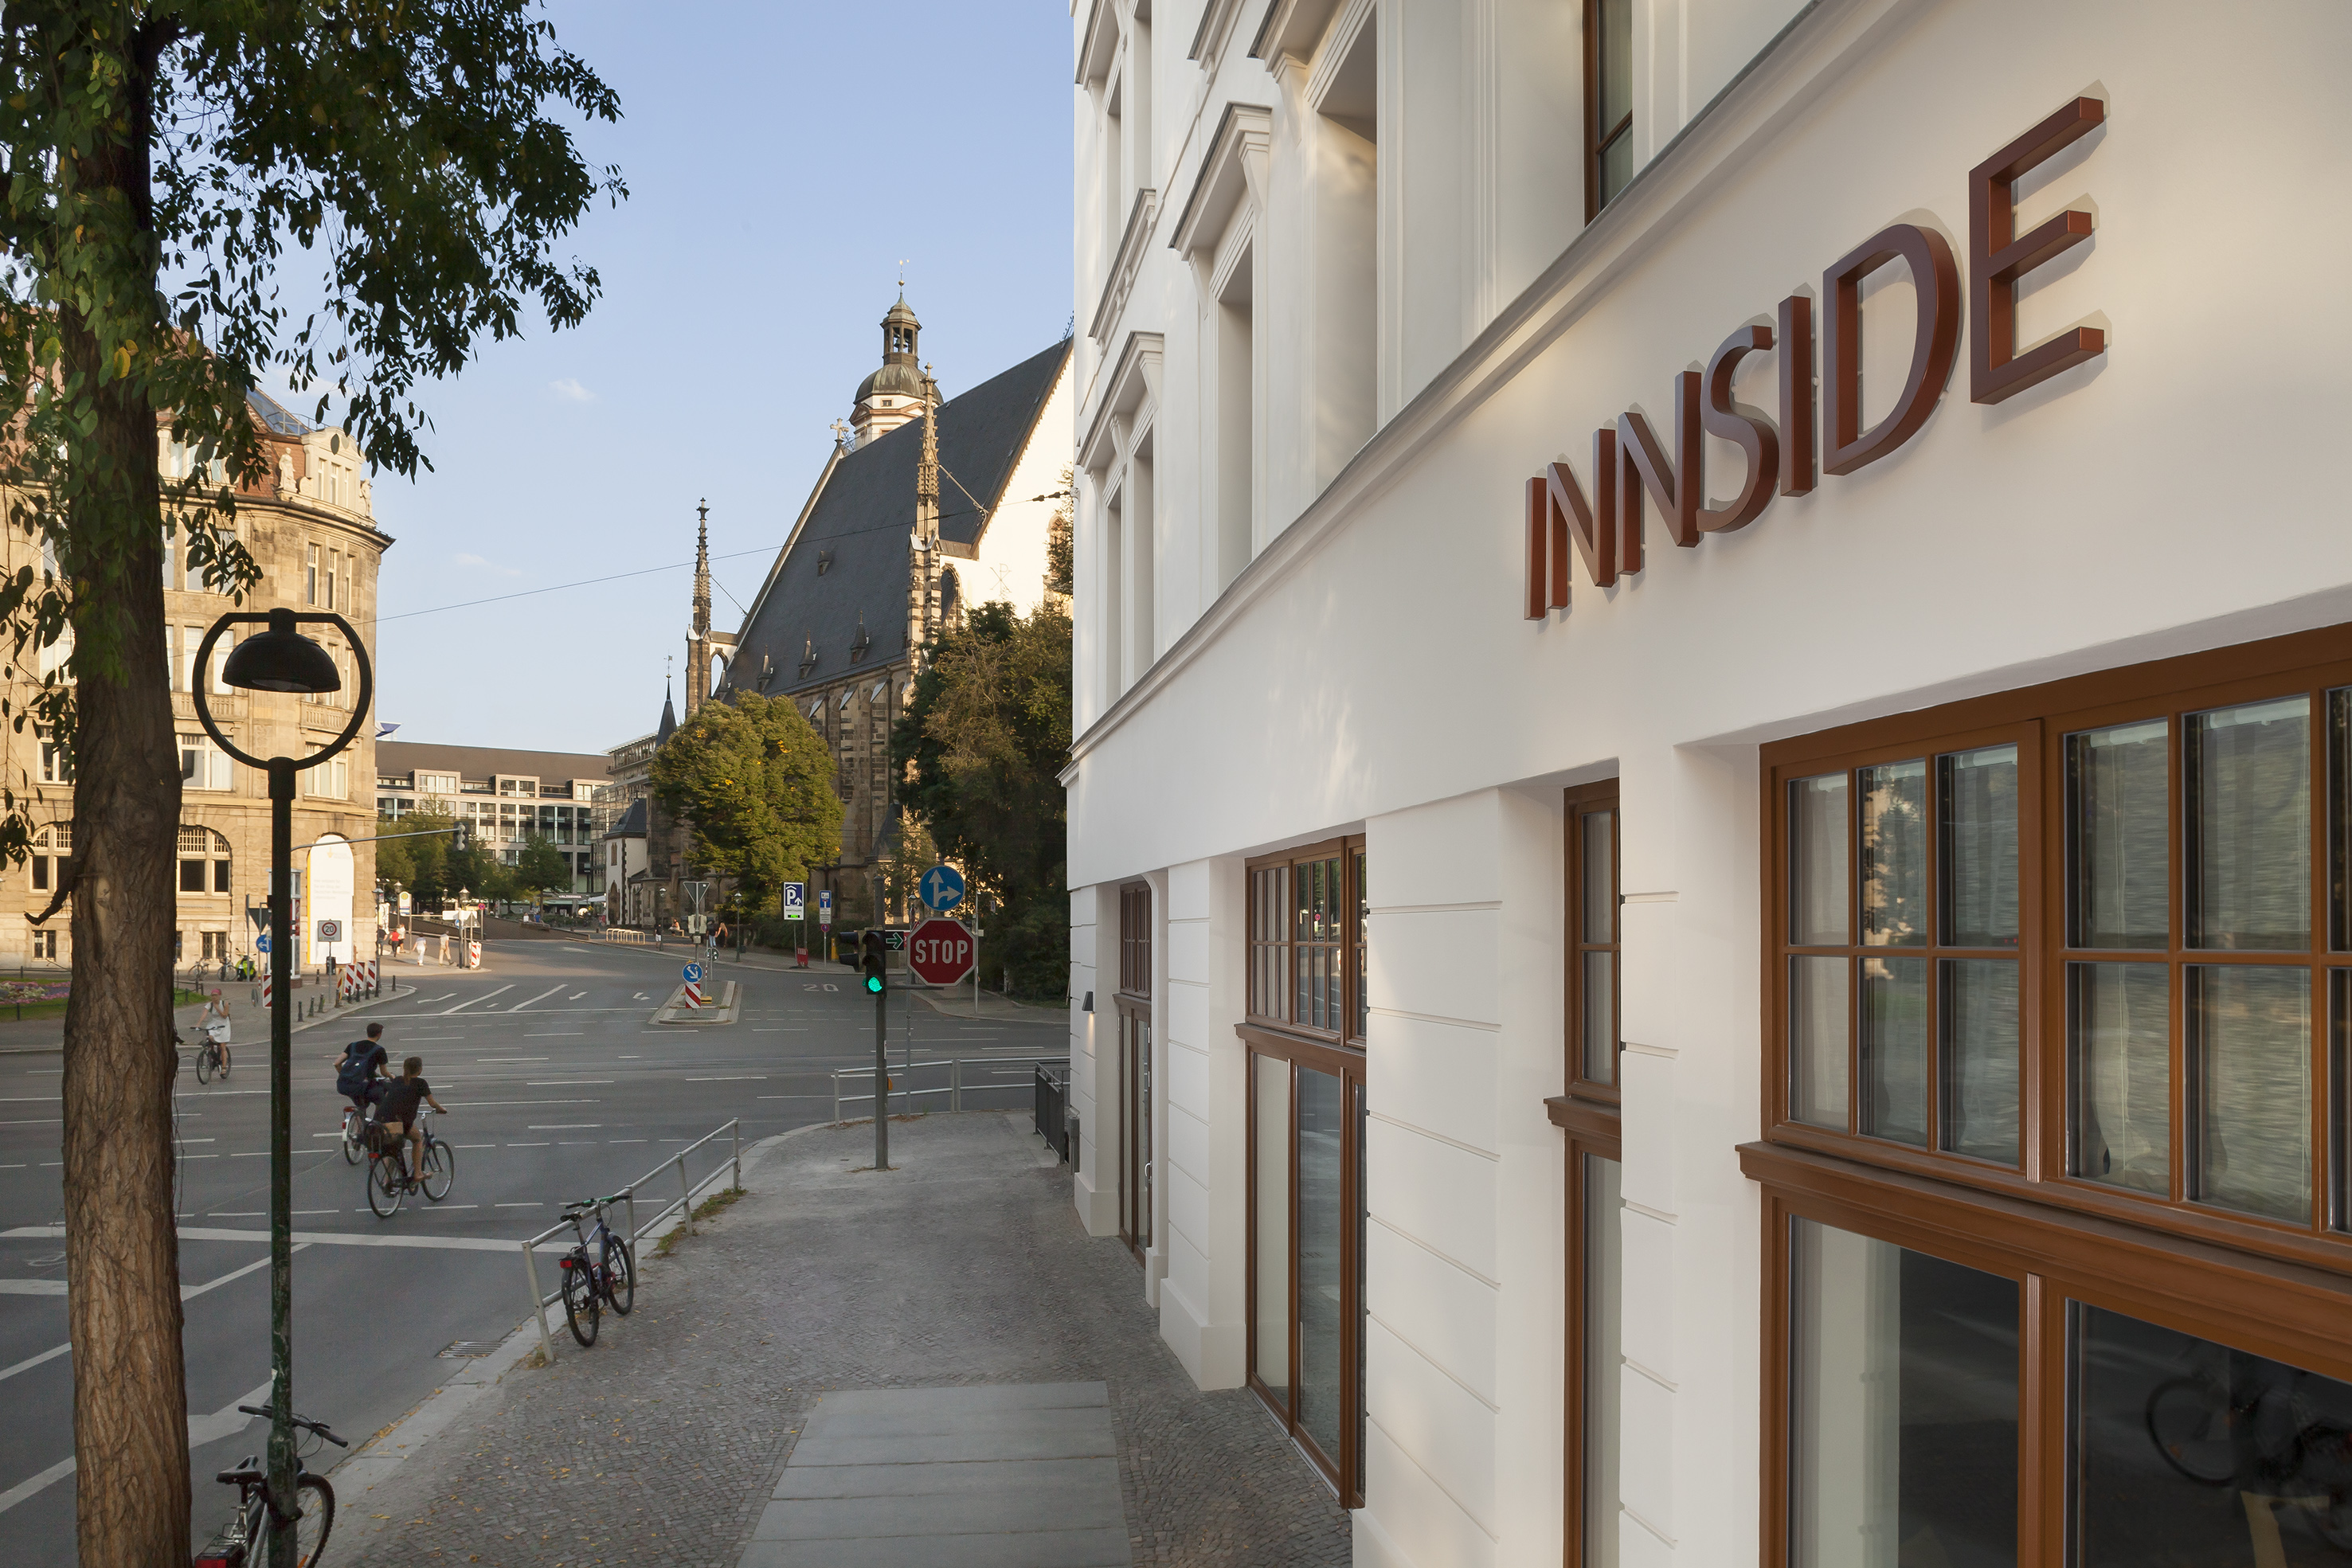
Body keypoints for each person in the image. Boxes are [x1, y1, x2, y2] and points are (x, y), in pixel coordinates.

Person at [375, 1055, 448, 1189]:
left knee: (394, 1148)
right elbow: (432, 1103)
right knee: (417, 1139)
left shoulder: (397, 1080)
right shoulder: (421, 1083)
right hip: (400, 1122)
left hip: (381, 1120)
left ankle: (387, 1181)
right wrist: (441, 1109)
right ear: (419, 1070)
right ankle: (418, 1174)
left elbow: (388, 1097)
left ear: (405, 1068)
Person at [335, 1023, 391, 1122]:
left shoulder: (352, 1046)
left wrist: (346, 1075)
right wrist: (392, 1076)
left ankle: (359, 1128)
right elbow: (384, 1072)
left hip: (346, 1085)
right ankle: (375, 1123)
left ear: (368, 1033)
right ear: (379, 1034)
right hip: (364, 1085)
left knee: (361, 1106)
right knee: (382, 1099)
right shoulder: (379, 1050)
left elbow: (337, 1063)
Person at [199, 989, 233, 1073]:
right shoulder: (209, 1005)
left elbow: (225, 1016)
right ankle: (212, 1055)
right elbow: (204, 1015)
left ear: (219, 996)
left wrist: (218, 1009)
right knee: (210, 1038)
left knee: (222, 1046)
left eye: (215, 995)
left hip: (224, 1025)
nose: (214, 997)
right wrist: (198, 1024)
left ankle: (224, 1067)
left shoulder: (225, 1004)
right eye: (212, 995)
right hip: (214, 1024)